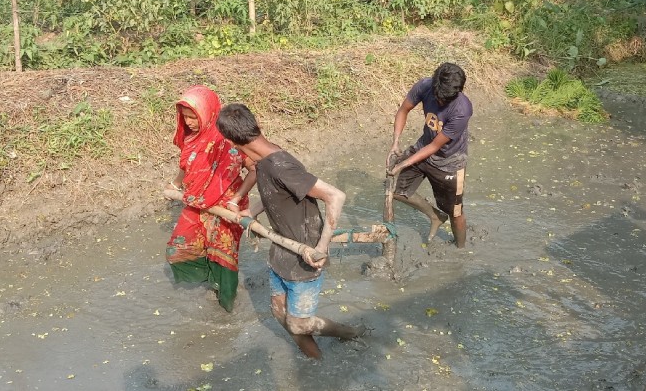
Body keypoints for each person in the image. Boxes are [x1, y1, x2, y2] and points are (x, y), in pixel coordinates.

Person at [216, 103, 365, 359]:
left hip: (305, 254)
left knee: (298, 323)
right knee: (278, 311)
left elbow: (336, 196)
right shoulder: (262, 160)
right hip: (282, 248)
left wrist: (321, 247)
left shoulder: (281, 165)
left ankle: (351, 333)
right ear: (256, 125)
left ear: (230, 142)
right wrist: (251, 211)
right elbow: (273, 192)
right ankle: (315, 362)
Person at [164, 85, 257, 313]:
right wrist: (175, 185)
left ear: (207, 113)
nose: (189, 123)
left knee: (223, 256)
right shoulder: (192, 139)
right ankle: (210, 282)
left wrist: (236, 198)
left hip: (226, 206)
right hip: (196, 202)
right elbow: (187, 167)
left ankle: (227, 302)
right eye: (185, 118)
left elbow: (255, 169)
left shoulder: (228, 138)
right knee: (181, 248)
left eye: (193, 117)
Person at [387, 62, 472, 248]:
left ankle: (460, 251)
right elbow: (404, 110)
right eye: (438, 98)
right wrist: (395, 142)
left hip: (449, 162)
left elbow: (435, 146)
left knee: (455, 212)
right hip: (422, 147)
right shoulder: (424, 86)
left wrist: (402, 164)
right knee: (393, 189)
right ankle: (435, 216)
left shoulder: (462, 110)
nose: (441, 103)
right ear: (434, 86)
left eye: (446, 101)